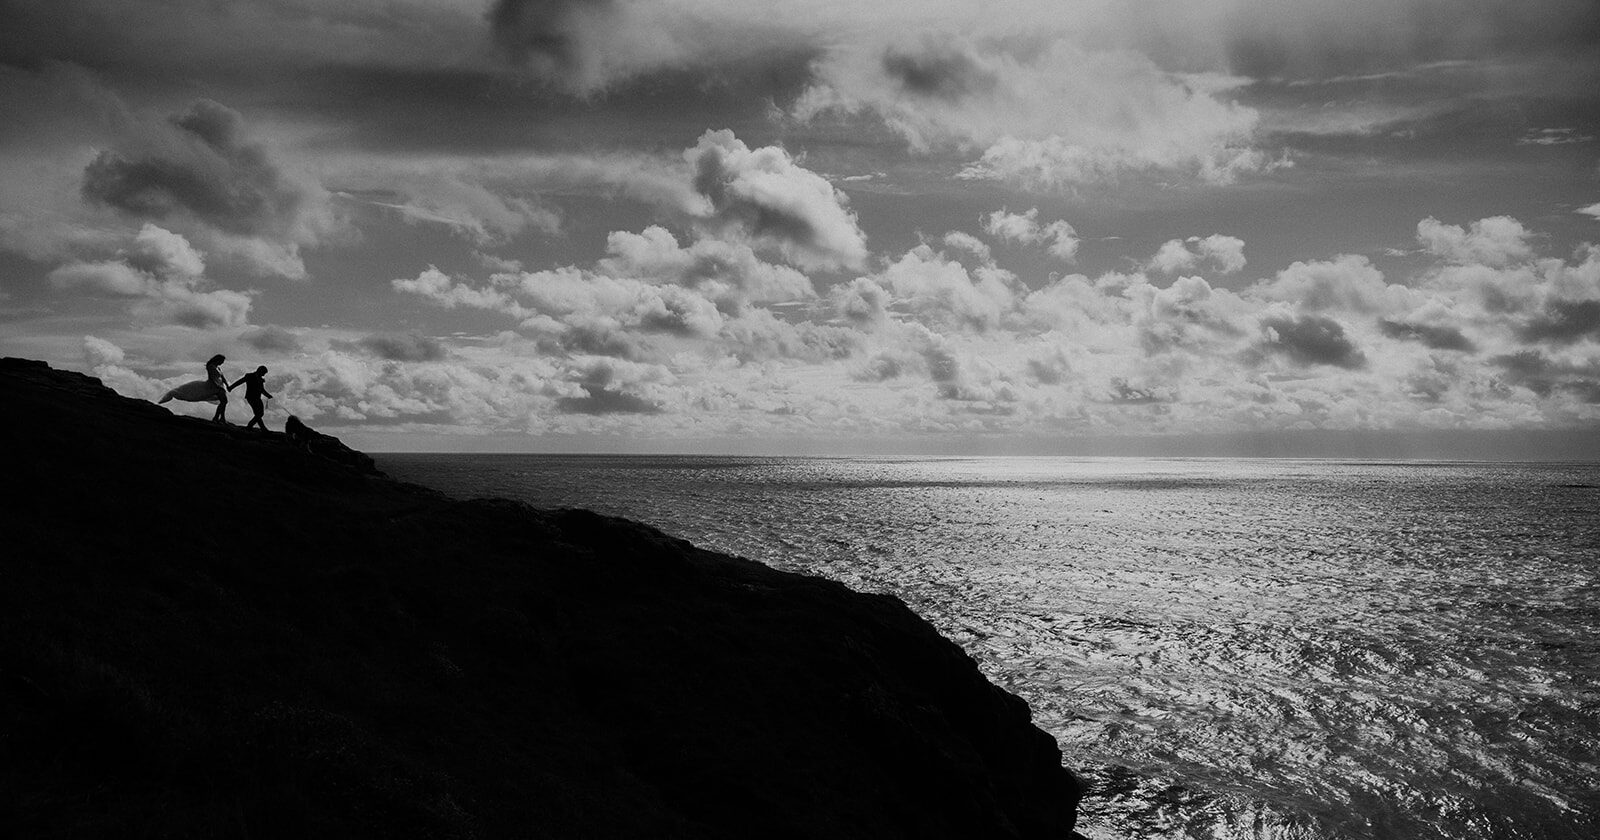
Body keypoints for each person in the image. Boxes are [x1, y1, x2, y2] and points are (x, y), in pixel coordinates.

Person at [228, 365, 273, 431]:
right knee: (258, 414)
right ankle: (257, 427)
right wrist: (231, 387)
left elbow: (262, 390)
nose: (264, 375)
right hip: (251, 397)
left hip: (258, 397)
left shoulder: (261, 379)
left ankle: (254, 426)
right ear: (260, 370)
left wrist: (268, 395)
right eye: (264, 373)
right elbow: (240, 381)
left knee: (260, 414)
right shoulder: (249, 376)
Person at [204, 354, 229, 423]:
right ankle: (218, 418)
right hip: (214, 385)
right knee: (224, 401)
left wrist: (227, 385)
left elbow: (222, 377)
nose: (222, 363)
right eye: (222, 361)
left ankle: (220, 418)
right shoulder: (211, 366)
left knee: (223, 401)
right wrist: (216, 385)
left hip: (220, 385)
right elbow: (211, 377)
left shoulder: (218, 368)